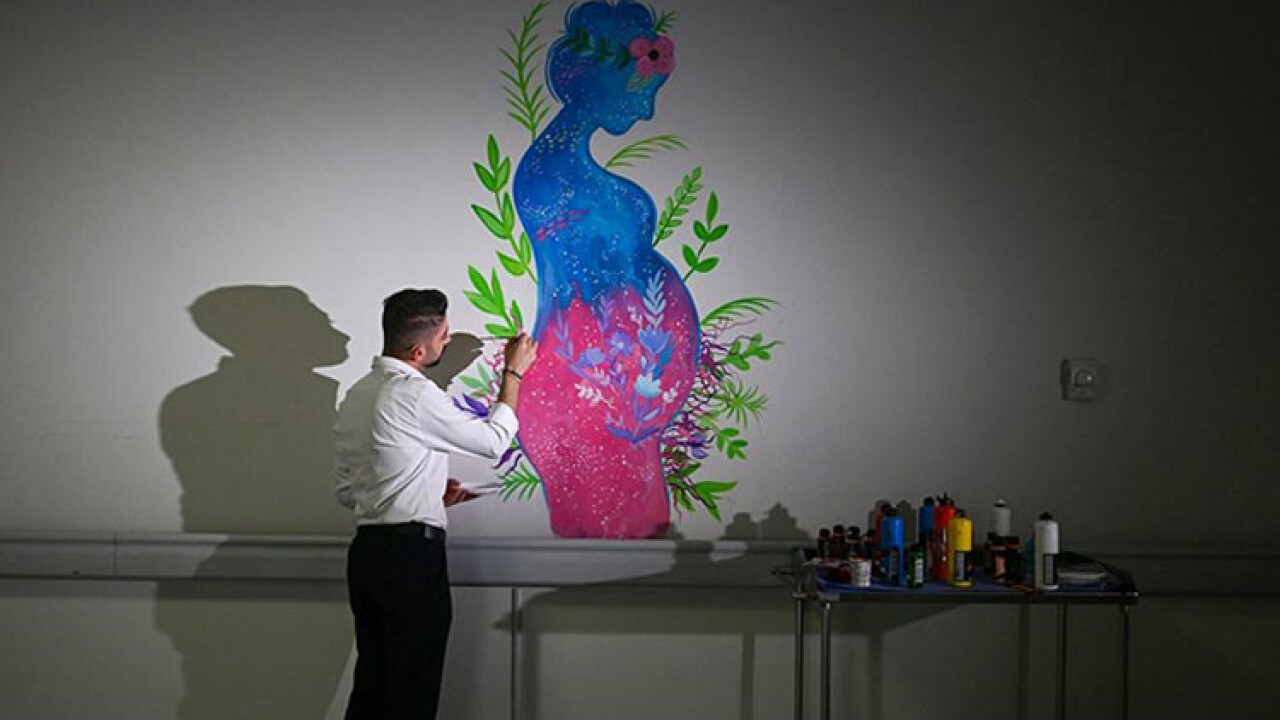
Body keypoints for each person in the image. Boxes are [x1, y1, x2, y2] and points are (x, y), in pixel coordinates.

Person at [332, 288, 537, 719]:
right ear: (418, 351)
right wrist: (513, 374)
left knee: (373, 689)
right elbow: (493, 442)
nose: (449, 341)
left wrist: (426, 491)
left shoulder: (357, 395)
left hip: (367, 556)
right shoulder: (414, 394)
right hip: (410, 558)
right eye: (444, 336)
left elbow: (349, 491)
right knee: (412, 693)